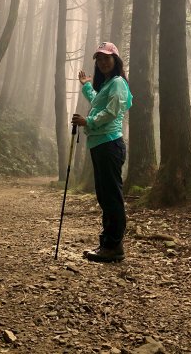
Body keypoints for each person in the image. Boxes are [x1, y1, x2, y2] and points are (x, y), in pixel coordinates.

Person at [72, 42, 132, 262]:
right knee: (105, 196)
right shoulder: (108, 84)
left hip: (109, 144)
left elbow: (111, 111)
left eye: (107, 58)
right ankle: (108, 243)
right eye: (100, 59)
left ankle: (114, 246)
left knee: (111, 197)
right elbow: (98, 102)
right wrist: (86, 85)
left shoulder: (117, 83)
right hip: (100, 145)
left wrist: (87, 120)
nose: (103, 62)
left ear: (115, 61)